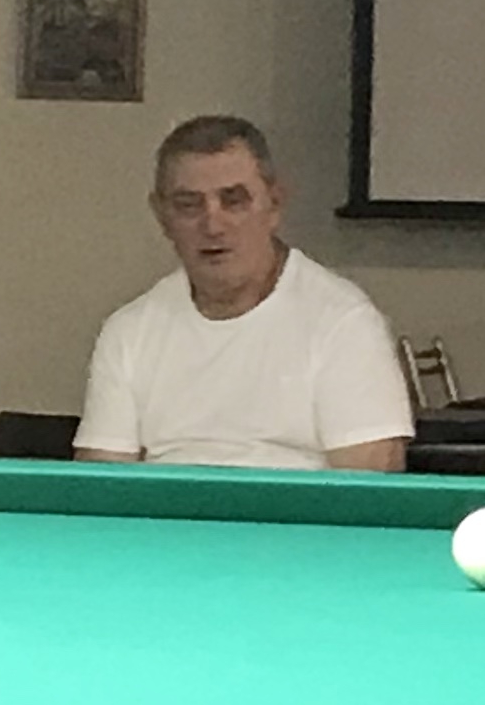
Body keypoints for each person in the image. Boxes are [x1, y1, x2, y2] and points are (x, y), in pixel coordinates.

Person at [76, 115, 410, 470]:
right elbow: (102, 482)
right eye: (189, 205)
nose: (212, 225)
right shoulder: (128, 331)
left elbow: (366, 484)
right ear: (161, 216)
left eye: (233, 201)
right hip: (163, 506)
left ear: (274, 205)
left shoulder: (344, 322)